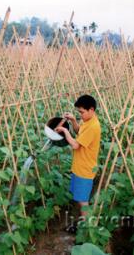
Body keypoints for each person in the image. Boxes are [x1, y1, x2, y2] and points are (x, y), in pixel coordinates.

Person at [55, 94, 101, 233]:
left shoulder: (93, 126)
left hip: (85, 170)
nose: (80, 115)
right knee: (80, 199)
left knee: (83, 201)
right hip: (79, 167)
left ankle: (87, 229)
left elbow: (75, 145)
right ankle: (82, 222)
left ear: (91, 109)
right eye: (78, 112)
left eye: (81, 112)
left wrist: (64, 130)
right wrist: (74, 121)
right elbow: (78, 131)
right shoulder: (87, 121)